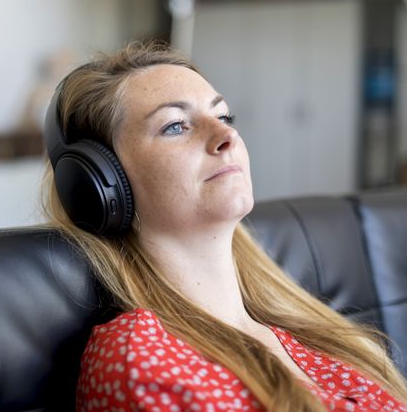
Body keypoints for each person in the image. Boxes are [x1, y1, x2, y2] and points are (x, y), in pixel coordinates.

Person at [40, 41, 407, 411]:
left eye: (225, 117)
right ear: (100, 184)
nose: (226, 136)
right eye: (176, 126)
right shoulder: (140, 359)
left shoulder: (302, 327)